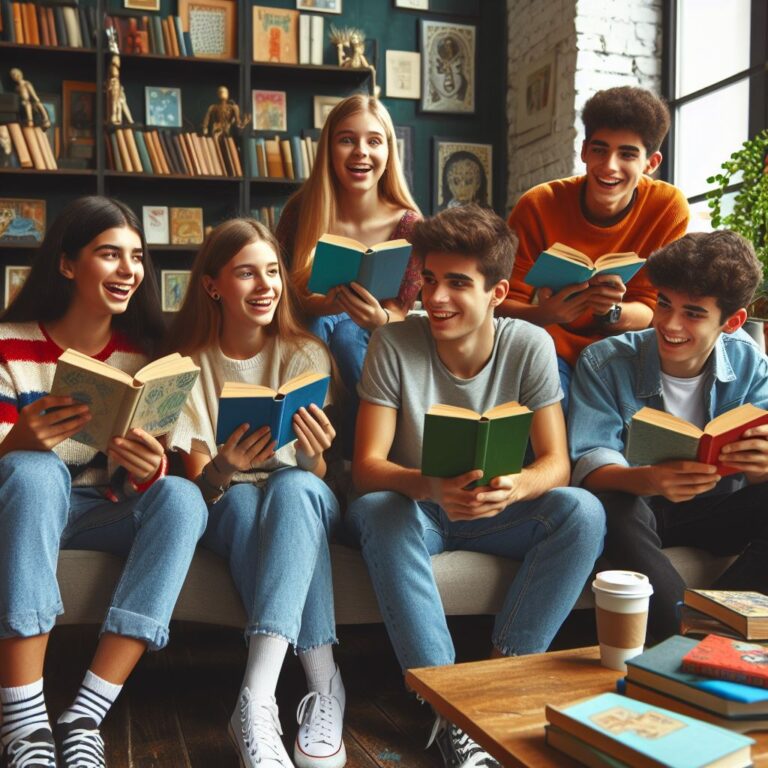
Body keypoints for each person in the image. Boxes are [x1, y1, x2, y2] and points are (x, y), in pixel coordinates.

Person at [346, 205, 605, 768]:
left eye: (457, 284)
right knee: (377, 510)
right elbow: (366, 466)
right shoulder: (394, 344)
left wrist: (515, 487)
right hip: (419, 507)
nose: (436, 298)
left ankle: (499, 680)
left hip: (498, 507)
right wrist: (432, 487)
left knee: (582, 511)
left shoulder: (530, 343)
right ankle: (451, 707)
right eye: (430, 280)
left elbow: (557, 463)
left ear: (497, 292)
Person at [0, 196, 207, 768]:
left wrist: (149, 468)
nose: (128, 270)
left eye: (136, 257)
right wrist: (20, 440)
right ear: (67, 264)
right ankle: (23, 720)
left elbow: (154, 473)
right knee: (35, 470)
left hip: (102, 508)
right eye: (109, 254)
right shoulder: (9, 342)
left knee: (183, 498)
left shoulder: (146, 355)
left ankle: (85, 714)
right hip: (22, 503)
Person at [166, 218, 345, 768]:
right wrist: (224, 465)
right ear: (213, 285)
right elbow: (202, 486)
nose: (266, 285)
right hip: (229, 502)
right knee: (242, 500)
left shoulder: (305, 352)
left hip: (302, 497)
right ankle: (328, 684)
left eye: (272, 272)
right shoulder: (187, 365)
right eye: (247, 273)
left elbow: (314, 476)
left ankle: (259, 695)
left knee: (291, 489)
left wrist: (315, 452)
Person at [568, 230, 768, 641]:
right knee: (611, 507)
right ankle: (688, 638)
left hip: (714, 509)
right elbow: (589, 461)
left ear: (732, 322)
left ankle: (710, 622)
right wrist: (651, 480)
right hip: (638, 511)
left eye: (693, 313)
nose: (670, 324)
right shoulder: (606, 361)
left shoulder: (749, 360)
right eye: (664, 304)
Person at [500, 86, 690, 414]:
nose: (609, 166)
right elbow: (497, 304)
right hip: (550, 348)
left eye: (627, 154)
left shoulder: (667, 207)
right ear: (585, 150)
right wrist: (548, 314)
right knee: (560, 421)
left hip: (624, 350)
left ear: (651, 162)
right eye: (600, 150)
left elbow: (651, 307)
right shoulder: (538, 205)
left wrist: (610, 312)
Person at [276, 94, 420, 453]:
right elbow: (281, 293)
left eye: (374, 141)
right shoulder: (300, 210)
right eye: (346, 140)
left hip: (376, 337)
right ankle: (305, 451)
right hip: (308, 326)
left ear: (388, 152)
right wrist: (323, 305)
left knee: (346, 336)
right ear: (329, 149)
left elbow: (401, 313)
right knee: (316, 330)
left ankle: (361, 458)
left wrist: (378, 318)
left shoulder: (409, 225)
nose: (361, 152)